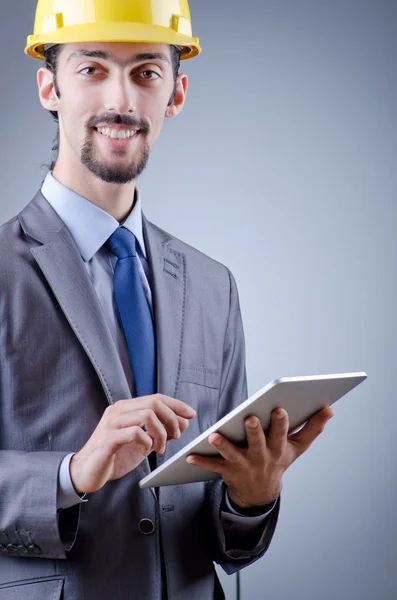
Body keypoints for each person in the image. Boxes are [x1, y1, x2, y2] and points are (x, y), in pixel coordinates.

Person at [0, 1, 334, 598]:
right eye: (92, 69)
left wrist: (252, 497)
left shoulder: (212, 285)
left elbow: (217, 529)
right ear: (49, 86)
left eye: (146, 72)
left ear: (176, 93)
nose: (121, 101)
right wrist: (70, 475)